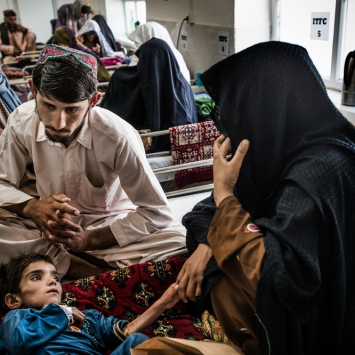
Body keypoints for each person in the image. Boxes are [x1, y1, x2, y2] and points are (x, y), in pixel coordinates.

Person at [176, 41, 355, 355]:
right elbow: (203, 212)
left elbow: (274, 273)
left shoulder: (318, 172)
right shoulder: (283, 148)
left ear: (260, 104)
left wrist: (223, 192)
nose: (225, 122)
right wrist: (208, 243)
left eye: (234, 106)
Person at [0, 44, 186, 280]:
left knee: (179, 243)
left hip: (108, 225)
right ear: (33, 89)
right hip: (49, 226)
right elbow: (2, 182)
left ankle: (61, 260)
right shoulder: (20, 122)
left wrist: (91, 239)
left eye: (72, 110)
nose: (59, 123)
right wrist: (31, 207)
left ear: (94, 100)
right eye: (48, 106)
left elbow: (156, 213)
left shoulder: (117, 136)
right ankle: (96, 271)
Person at [0, 253, 180, 354]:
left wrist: (163, 303)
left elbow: (126, 331)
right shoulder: (16, 317)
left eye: (56, 277)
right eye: (37, 277)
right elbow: (18, 343)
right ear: (13, 300)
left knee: (138, 342)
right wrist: (65, 314)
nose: (53, 281)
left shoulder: (87, 318)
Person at [100, 38, 197, 153]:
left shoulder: (130, 81)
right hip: (175, 144)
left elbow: (113, 117)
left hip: (155, 143)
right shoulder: (181, 85)